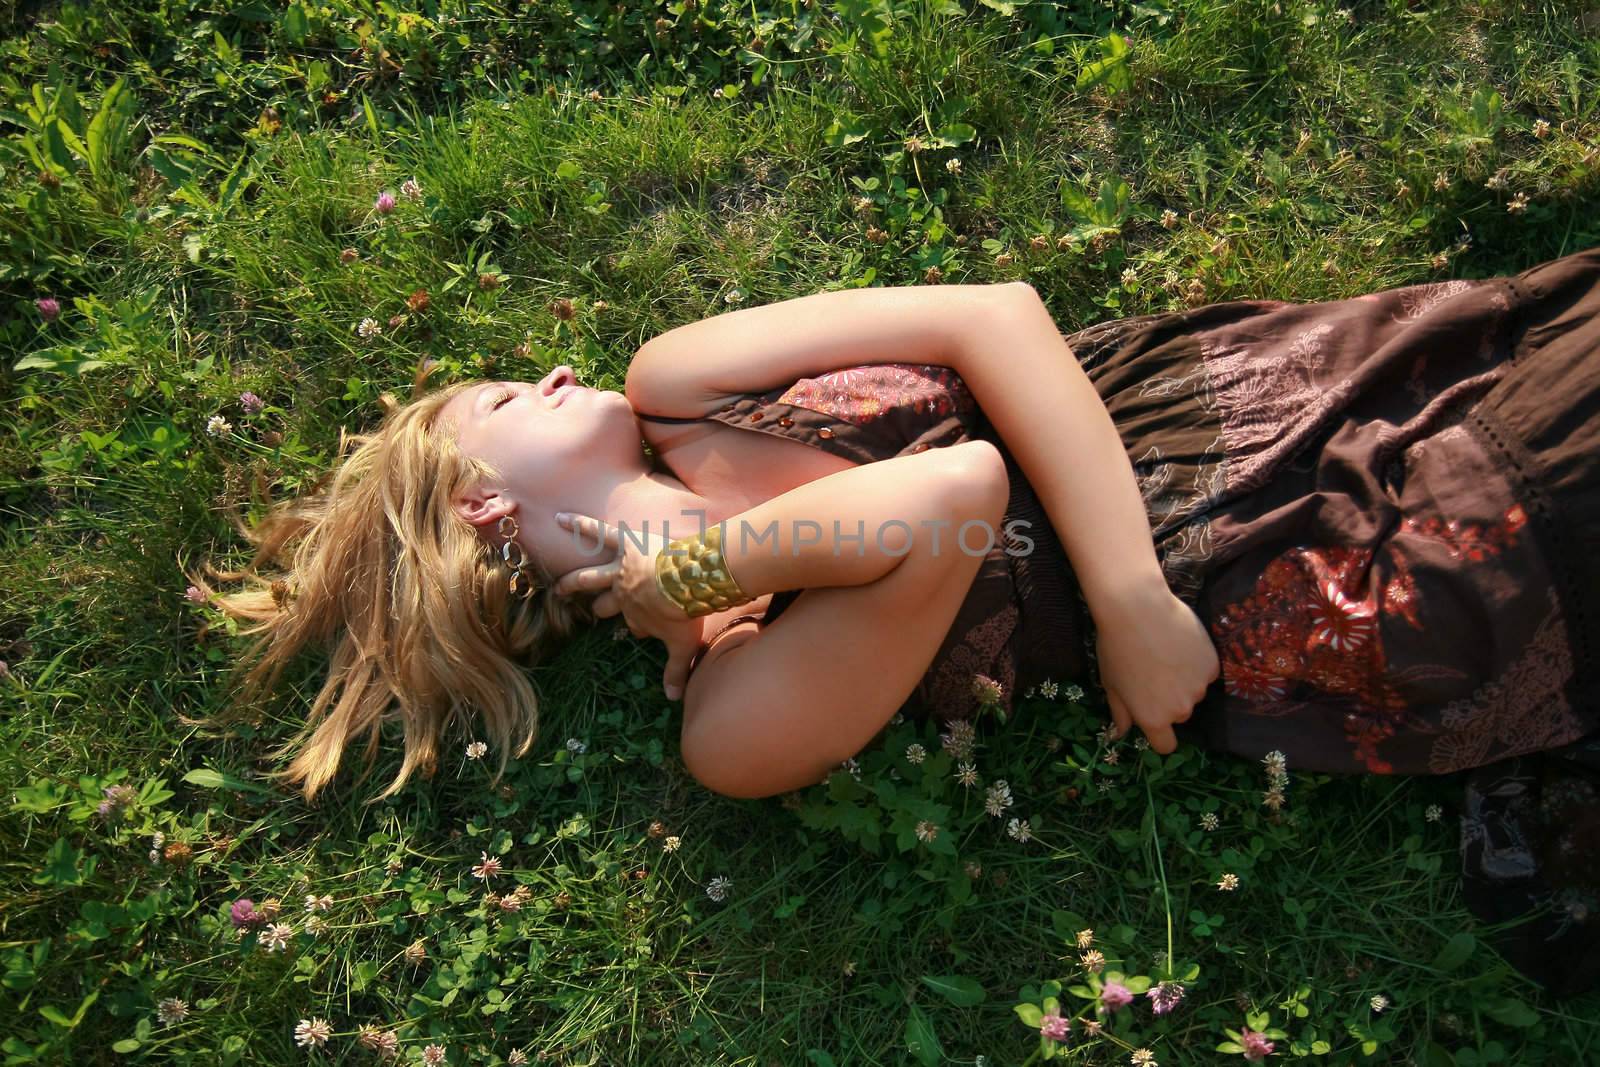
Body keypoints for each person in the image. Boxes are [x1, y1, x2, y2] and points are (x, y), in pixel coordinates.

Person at [192, 249, 1600, 995]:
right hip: (1276, 592)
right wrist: (689, 584)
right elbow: (943, 501)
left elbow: (996, 319)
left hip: (1207, 427)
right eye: (509, 402)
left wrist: (1123, 602)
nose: (553, 369)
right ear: (480, 515)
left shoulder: (680, 379)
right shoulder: (733, 724)